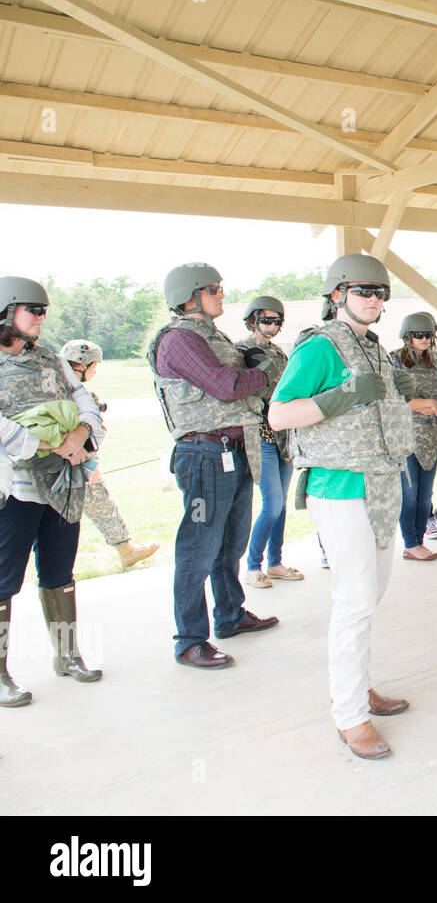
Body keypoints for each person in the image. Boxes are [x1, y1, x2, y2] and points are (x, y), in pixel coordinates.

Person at [268, 253, 414, 760]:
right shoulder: (320, 347)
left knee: (370, 597)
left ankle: (359, 687)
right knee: (353, 602)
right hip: (340, 485)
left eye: (379, 293)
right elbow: (280, 414)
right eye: (362, 291)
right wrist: (343, 396)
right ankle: (349, 714)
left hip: (381, 484)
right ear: (337, 295)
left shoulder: (374, 348)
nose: (372, 300)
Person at [148, 263, 279, 670]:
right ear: (190, 295)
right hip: (204, 456)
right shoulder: (179, 339)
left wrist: (251, 369)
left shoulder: (210, 335)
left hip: (234, 450)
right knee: (198, 549)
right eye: (213, 289)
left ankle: (230, 615)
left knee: (231, 544)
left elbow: (234, 380)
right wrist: (265, 370)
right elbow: (225, 385)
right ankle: (190, 640)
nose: (221, 294)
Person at [0, 278, 105, 707]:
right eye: (34, 310)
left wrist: (80, 434)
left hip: (62, 483)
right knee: (4, 582)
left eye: (44, 311)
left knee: (60, 575)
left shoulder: (50, 358)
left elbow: (84, 399)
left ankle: (67, 655)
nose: (42, 317)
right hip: (16, 489)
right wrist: (44, 442)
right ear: (7, 312)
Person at [59, 339, 160, 567]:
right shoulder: (69, 395)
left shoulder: (64, 388)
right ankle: (125, 549)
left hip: (74, 464)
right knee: (99, 502)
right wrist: (88, 465)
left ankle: (125, 548)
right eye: (93, 366)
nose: (94, 371)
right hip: (74, 464)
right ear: (80, 366)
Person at [235, 296, 303, 588]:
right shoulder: (239, 350)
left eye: (276, 320)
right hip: (259, 433)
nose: (272, 325)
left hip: (284, 434)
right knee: (272, 503)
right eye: (266, 319)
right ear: (252, 320)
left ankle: (275, 563)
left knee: (281, 504)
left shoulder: (279, 353)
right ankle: (252, 566)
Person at [391, 311, 437, 562]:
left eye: (428, 335)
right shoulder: (394, 360)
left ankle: (419, 541)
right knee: (409, 493)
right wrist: (426, 403)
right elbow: (394, 398)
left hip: (434, 434)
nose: (425, 340)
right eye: (419, 336)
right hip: (408, 436)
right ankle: (411, 543)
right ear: (407, 337)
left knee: (425, 495)